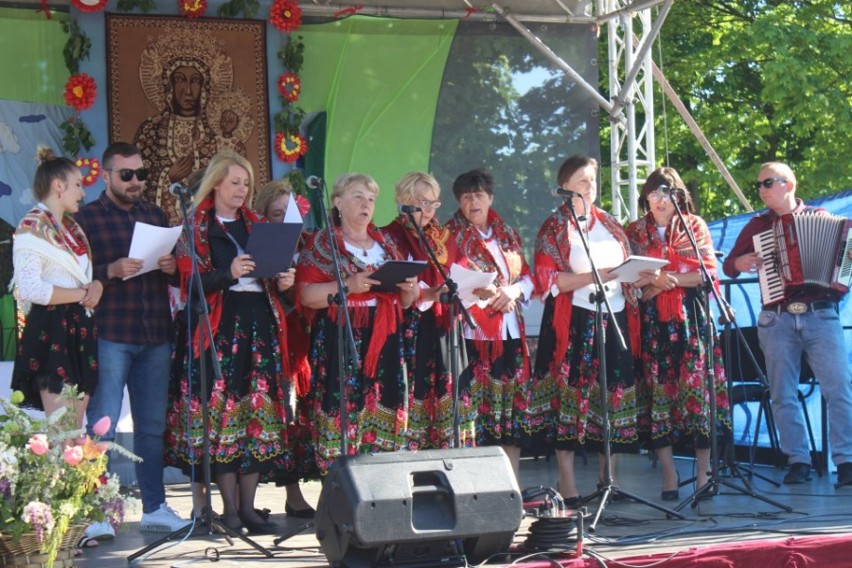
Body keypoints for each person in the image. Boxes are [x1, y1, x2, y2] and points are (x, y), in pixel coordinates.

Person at [164, 149, 299, 534]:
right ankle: (229, 510)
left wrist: (284, 282)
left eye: (247, 184)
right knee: (223, 416)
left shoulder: (258, 225)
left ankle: (251, 507)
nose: (242, 190)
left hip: (260, 324)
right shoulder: (197, 228)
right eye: (235, 182)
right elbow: (189, 285)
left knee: (256, 415)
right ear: (217, 183)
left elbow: (273, 277)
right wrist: (228, 272)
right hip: (219, 330)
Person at [74, 142, 190, 533]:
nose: (136, 181)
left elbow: (174, 276)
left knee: (151, 427)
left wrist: (171, 266)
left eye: (141, 174)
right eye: (127, 175)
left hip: (155, 332)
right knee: (101, 424)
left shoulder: (155, 214)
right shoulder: (86, 219)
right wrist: (111, 270)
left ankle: (155, 507)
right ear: (106, 176)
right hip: (110, 332)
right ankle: (98, 511)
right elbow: (74, 278)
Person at [722, 161, 852, 488]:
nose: (762, 190)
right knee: (782, 391)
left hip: (821, 314)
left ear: (788, 185)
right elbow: (730, 265)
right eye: (760, 185)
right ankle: (798, 460)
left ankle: (847, 461)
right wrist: (743, 260)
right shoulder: (757, 226)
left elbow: (847, 258)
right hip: (776, 317)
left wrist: (844, 273)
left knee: (839, 388)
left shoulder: (823, 219)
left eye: (768, 183)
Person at [532, 156, 639, 505]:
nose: (589, 187)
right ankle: (567, 484)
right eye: (581, 181)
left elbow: (626, 265)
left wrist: (638, 276)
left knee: (614, 394)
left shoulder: (610, 223)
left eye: (592, 180)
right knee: (570, 396)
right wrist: (600, 275)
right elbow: (551, 280)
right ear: (565, 186)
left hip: (614, 315)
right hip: (574, 319)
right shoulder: (554, 227)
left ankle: (609, 480)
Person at [296, 173, 419, 474]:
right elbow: (306, 296)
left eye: (371, 199)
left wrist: (409, 288)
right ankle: (342, 489)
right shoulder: (323, 243)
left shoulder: (387, 244)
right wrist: (348, 285)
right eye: (357, 196)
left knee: (386, 405)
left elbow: (407, 301)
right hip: (342, 336)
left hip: (385, 338)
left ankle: (384, 485)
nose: (366, 204)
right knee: (343, 411)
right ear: (337, 202)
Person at [625, 167, 731, 501]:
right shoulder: (635, 231)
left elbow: (706, 273)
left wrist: (661, 279)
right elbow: (628, 279)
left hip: (691, 322)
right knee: (658, 396)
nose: (659, 200)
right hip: (652, 326)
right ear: (646, 197)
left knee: (697, 394)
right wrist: (654, 283)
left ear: (678, 197)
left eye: (666, 194)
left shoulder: (693, 225)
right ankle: (669, 473)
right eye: (653, 194)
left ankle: (703, 472)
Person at [445, 168, 538, 483]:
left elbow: (526, 275)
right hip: (473, 335)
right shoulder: (449, 235)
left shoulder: (507, 233)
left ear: (490, 198)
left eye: (479, 195)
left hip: (510, 332)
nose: (473, 202)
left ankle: (512, 487)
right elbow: (451, 280)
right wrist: (485, 294)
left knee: (510, 415)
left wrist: (512, 291)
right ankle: (478, 488)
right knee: (478, 417)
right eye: (467, 196)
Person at [381, 171, 474, 449]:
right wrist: (427, 294)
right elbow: (391, 284)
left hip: (446, 327)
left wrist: (475, 287)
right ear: (403, 200)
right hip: (411, 329)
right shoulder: (390, 236)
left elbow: (462, 270)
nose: (428, 210)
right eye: (422, 202)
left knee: (449, 397)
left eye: (434, 203)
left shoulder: (444, 236)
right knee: (415, 396)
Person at [11, 147, 101, 425]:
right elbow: (29, 289)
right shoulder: (32, 227)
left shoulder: (72, 228)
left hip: (79, 327)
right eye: (77, 184)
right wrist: (81, 294)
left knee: (74, 427)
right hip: (53, 330)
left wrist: (95, 285)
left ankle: (78, 470)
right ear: (58, 186)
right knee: (62, 429)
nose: (82, 192)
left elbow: (80, 277)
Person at [253, 178, 314, 518]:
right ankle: (286, 493)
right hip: (270, 338)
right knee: (278, 413)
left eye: (291, 212)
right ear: (263, 216)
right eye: (277, 214)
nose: (285, 220)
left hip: (304, 340)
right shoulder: (257, 244)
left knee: (301, 415)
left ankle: (302, 490)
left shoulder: (308, 244)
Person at [134, 30, 226, 225]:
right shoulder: (151, 130)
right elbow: (138, 184)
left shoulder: (213, 136)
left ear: (203, 88)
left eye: (195, 81)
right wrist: (168, 177)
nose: (188, 89)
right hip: (160, 227)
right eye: (180, 80)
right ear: (169, 86)